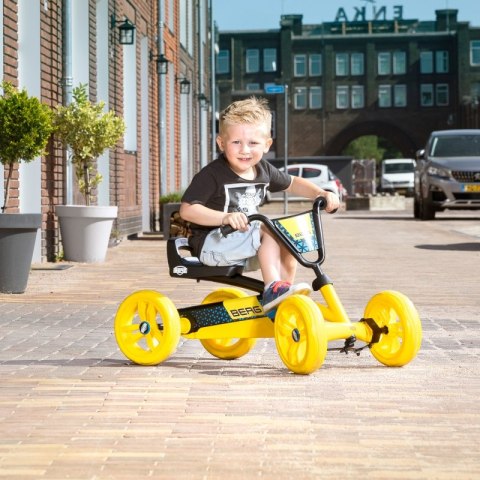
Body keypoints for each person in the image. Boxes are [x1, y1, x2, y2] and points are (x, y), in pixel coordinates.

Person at [179, 97, 339, 316]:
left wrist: (320, 193)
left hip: (243, 242)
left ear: (267, 145)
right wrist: (224, 217)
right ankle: (273, 289)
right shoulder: (212, 175)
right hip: (213, 244)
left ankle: (281, 297)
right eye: (236, 142)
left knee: (287, 237)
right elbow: (187, 210)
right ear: (221, 143)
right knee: (268, 228)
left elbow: (292, 183)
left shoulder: (263, 169)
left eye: (253, 143)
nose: (245, 150)